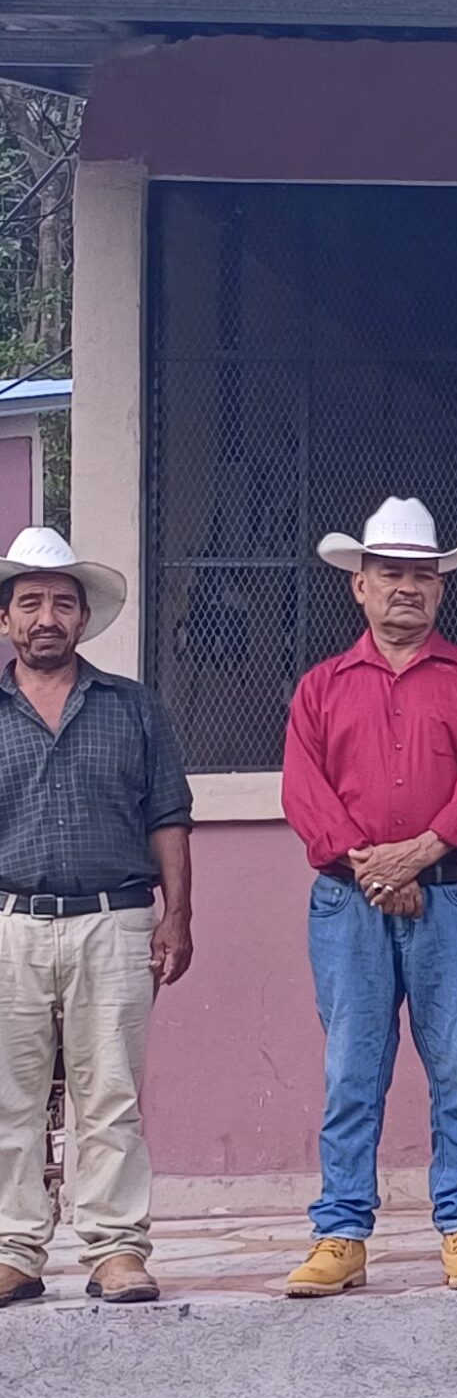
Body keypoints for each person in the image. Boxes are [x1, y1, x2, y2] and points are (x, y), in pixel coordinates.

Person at [278, 497, 457, 1297]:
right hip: (349, 904)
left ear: (441, 587)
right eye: (390, 575)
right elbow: (304, 793)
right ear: (360, 586)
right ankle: (341, 1233)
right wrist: (374, 871)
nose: (406, 589)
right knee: (351, 1069)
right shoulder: (320, 687)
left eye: (422, 575)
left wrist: (416, 857)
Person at [0, 527, 192, 1306]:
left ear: (83, 619)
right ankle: (14, 1248)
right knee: (7, 1094)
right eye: (31, 602)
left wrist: (178, 915)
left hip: (115, 921)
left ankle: (116, 1250)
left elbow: (169, 815)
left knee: (109, 1094)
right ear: (7, 619)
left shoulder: (133, 707)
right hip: (9, 924)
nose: (48, 616)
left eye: (63, 604)